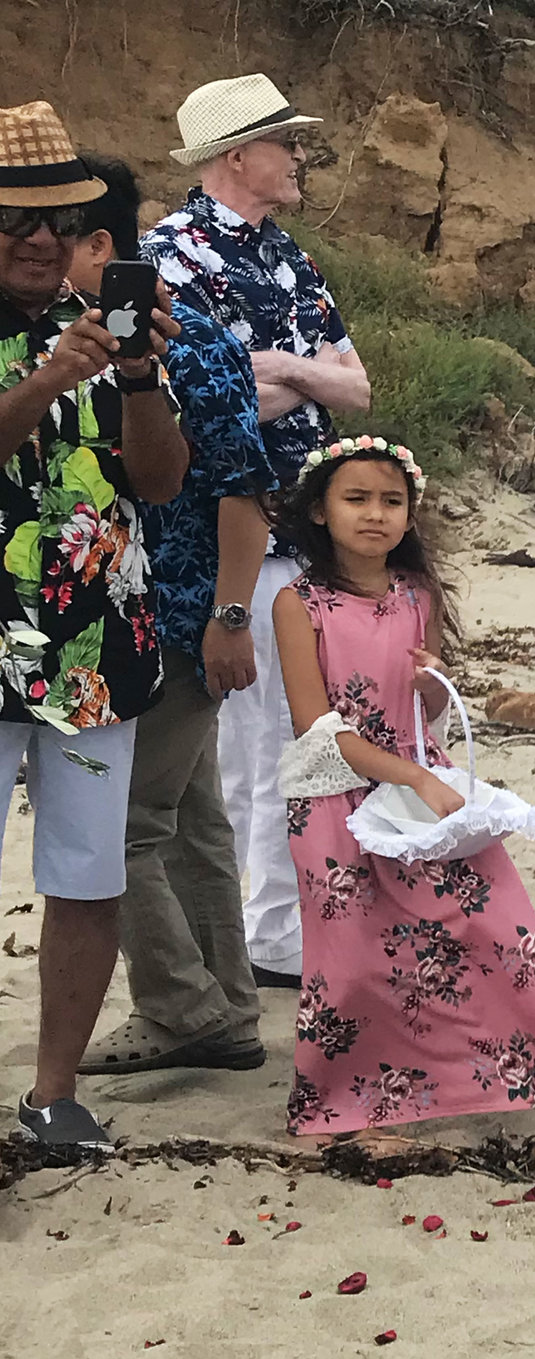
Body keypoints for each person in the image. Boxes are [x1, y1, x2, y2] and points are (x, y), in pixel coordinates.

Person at [269, 438, 535, 1138]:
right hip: (339, 797)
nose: (375, 515)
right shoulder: (298, 603)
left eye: (392, 502)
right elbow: (317, 728)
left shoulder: (416, 596)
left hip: (425, 796)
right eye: (355, 498)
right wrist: (411, 773)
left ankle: (501, 1072)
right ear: (320, 511)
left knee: (494, 929)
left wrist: (428, 688)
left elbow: (421, 715)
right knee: (356, 961)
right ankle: (350, 1098)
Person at [145, 72, 370, 992]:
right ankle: (249, 938)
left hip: (309, 530)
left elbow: (356, 388)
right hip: (233, 534)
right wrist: (289, 371)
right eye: (287, 142)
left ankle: (285, 934)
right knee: (242, 753)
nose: (300, 156)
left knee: (304, 732)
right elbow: (202, 403)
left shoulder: (292, 259)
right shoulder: (172, 256)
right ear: (240, 155)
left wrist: (272, 370)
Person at [0, 106, 186, 1150]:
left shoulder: (103, 327)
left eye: (58, 221)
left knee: (86, 875)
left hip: (93, 651)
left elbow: (158, 480)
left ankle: (53, 1092)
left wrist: (135, 376)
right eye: (11, 220)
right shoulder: (44, 347)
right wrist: (48, 377)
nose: (36, 239)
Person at [61, 155, 271, 1079]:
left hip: (173, 617)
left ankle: (181, 1007)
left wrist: (230, 612)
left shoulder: (183, 344)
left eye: (57, 236)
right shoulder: (72, 342)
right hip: (148, 613)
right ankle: (222, 1005)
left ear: (101, 247)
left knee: (128, 824)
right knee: (189, 816)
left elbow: (242, 486)